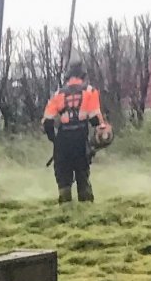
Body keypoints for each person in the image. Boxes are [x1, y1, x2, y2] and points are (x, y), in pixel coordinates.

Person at [43, 64, 111, 204]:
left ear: (67, 78)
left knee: (63, 177)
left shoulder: (58, 94)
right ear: (83, 77)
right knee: (82, 173)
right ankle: (85, 206)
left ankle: (65, 207)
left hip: (62, 140)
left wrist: (54, 140)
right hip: (80, 138)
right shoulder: (90, 91)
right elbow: (96, 120)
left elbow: (47, 122)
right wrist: (100, 139)